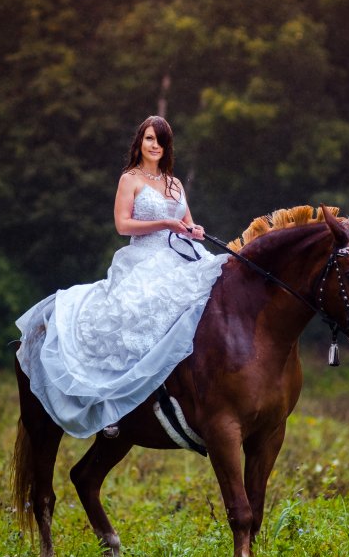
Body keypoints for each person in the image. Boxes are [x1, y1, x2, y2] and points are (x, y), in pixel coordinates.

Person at [15, 116, 228, 439]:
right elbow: (123, 226)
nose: (155, 146)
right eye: (150, 139)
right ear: (139, 143)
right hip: (144, 257)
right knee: (133, 314)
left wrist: (194, 230)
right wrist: (166, 225)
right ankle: (112, 400)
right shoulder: (130, 179)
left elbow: (187, 222)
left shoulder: (175, 183)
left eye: (161, 141)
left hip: (182, 254)